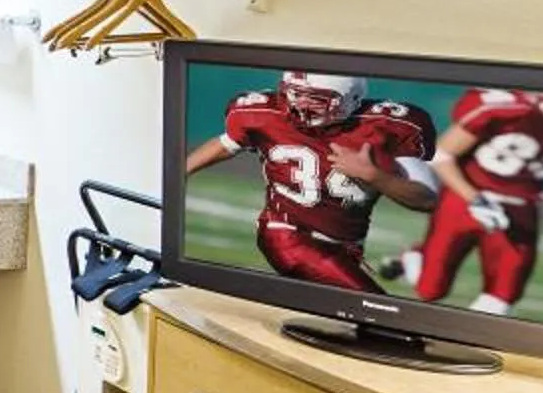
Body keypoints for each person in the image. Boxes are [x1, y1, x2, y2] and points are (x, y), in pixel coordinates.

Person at [186, 72, 438, 291]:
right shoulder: (265, 114)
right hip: (287, 235)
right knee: (378, 313)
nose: (301, 106)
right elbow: (226, 144)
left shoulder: (388, 127)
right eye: (295, 95)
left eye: (316, 99)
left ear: (349, 100)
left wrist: (373, 175)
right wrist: (175, 172)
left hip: (346, 247)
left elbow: (426, 199)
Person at [397, 88, 543, 314]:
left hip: (521, 208)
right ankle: (415, 257)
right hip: (465, 200)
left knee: (503, 297)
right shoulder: (502, 109)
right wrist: (475, 199)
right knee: (430, 291)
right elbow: (442, 154)